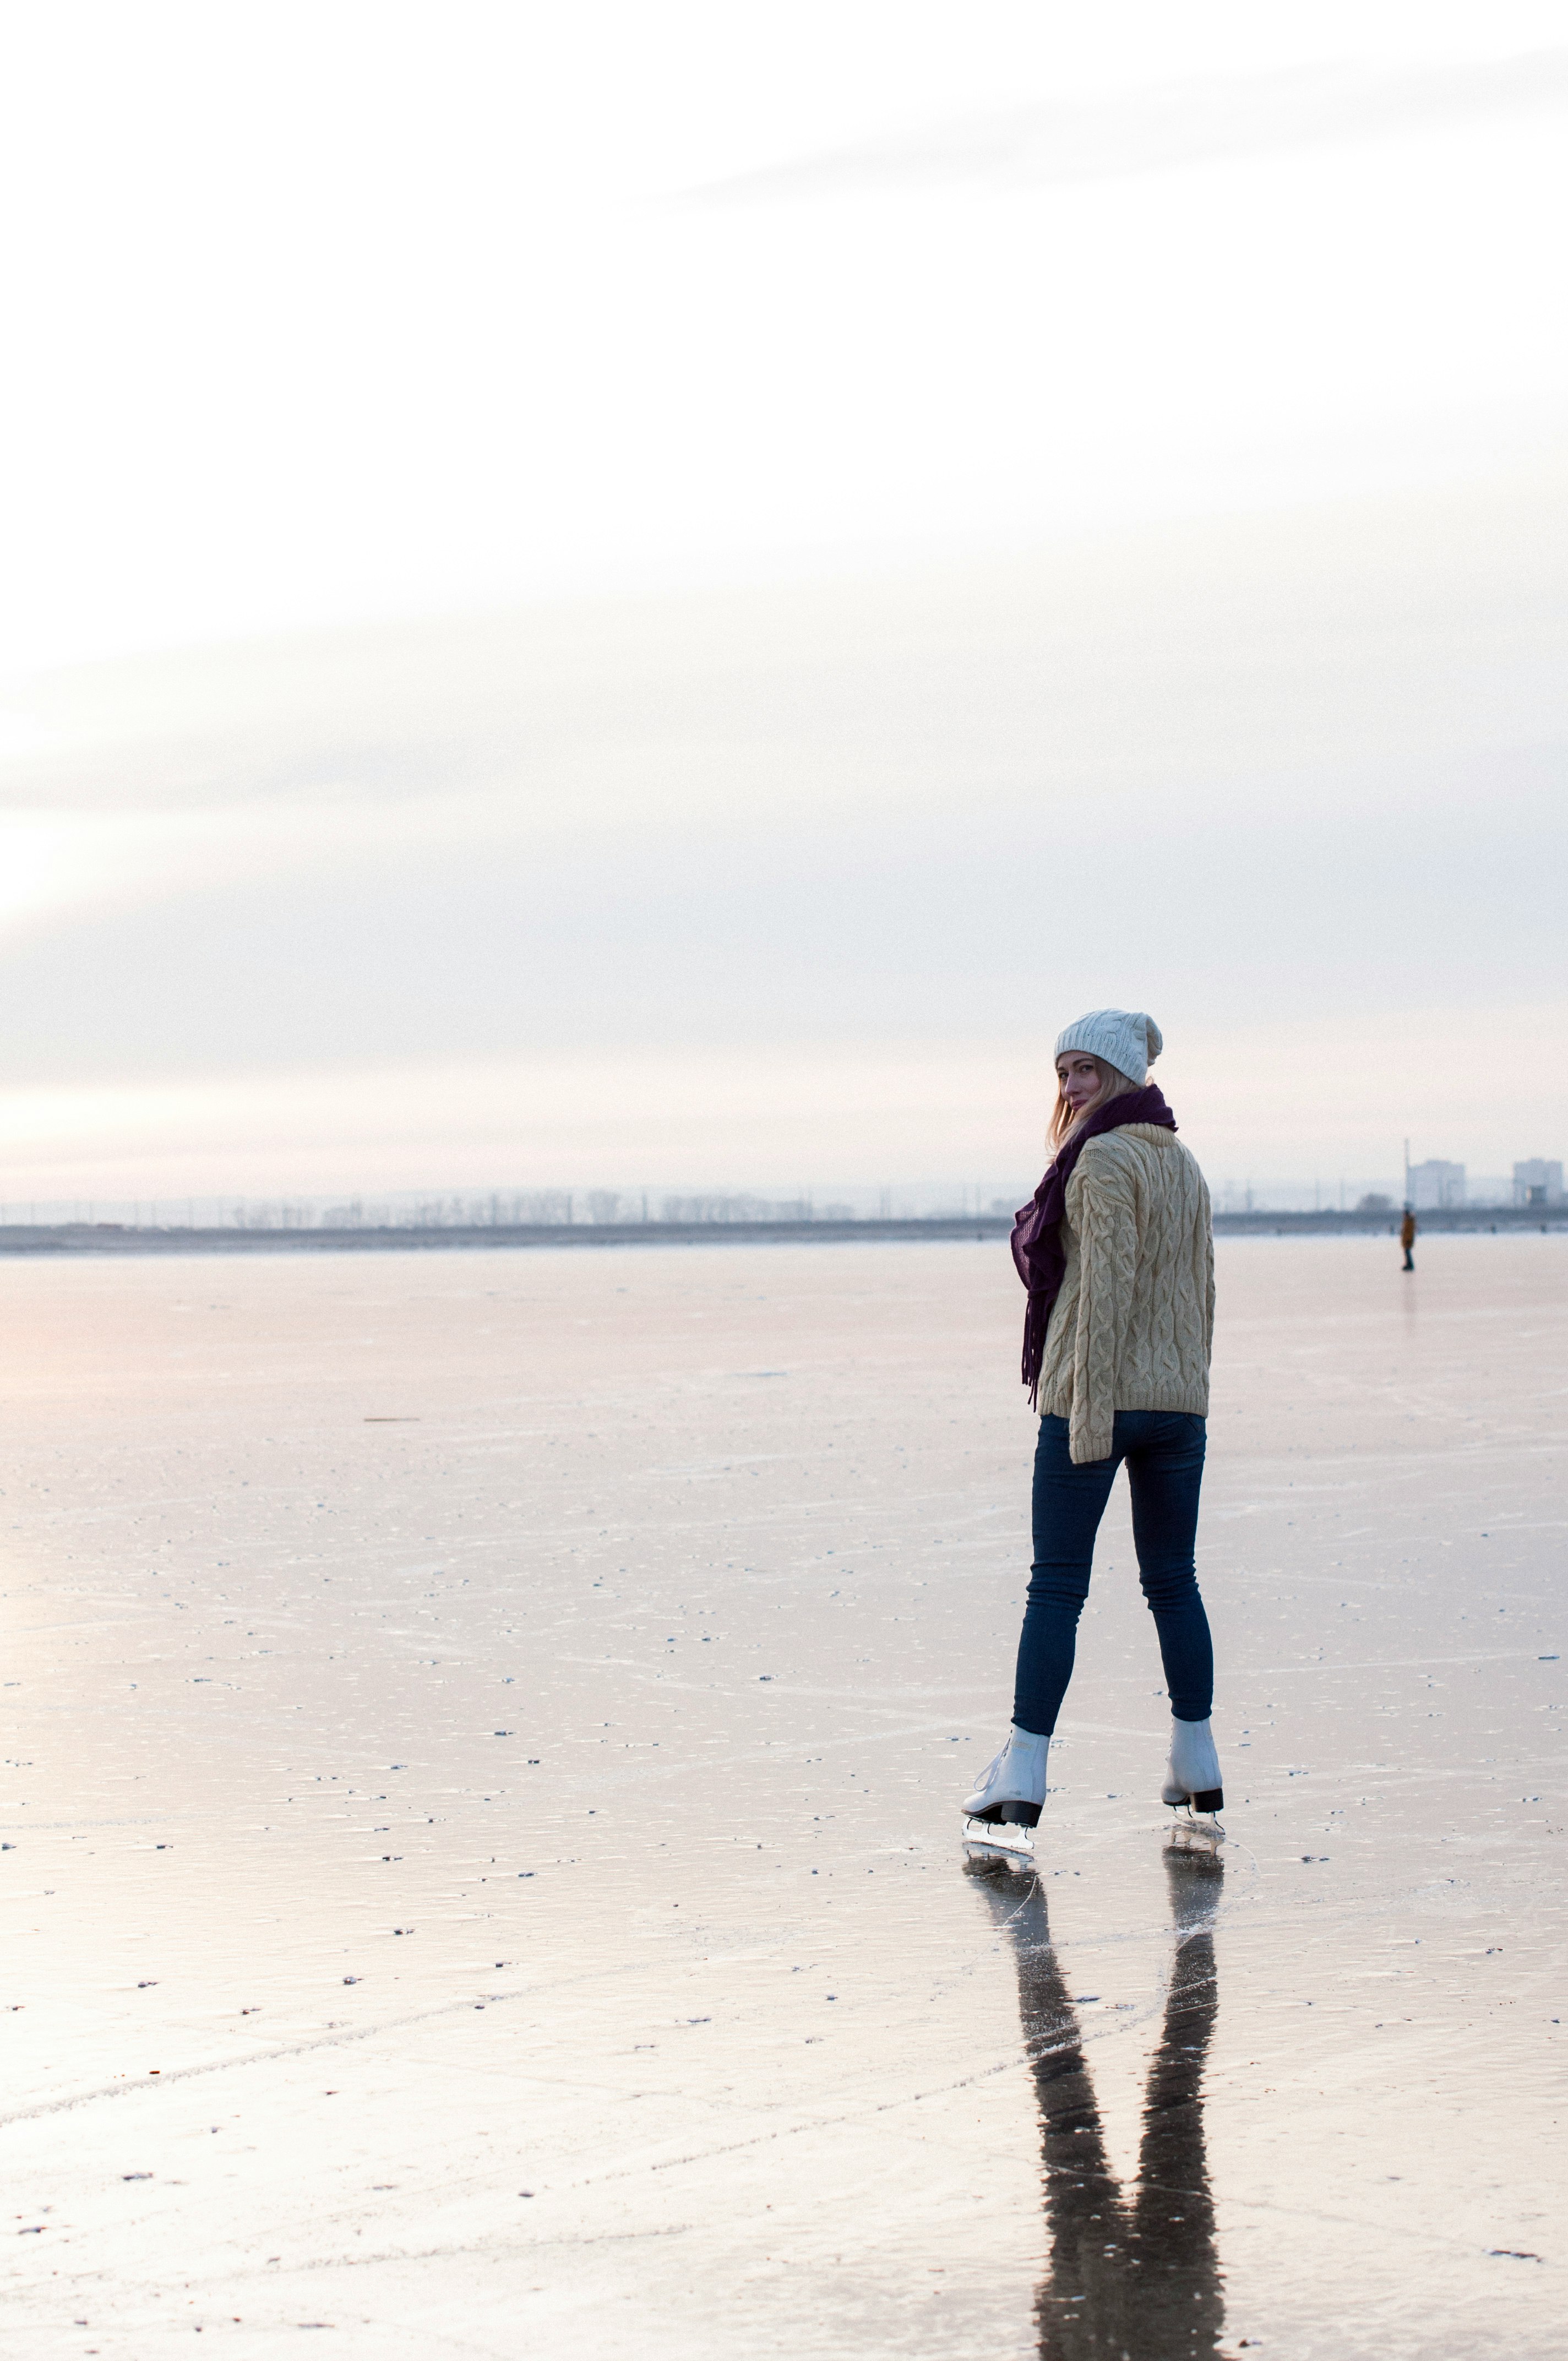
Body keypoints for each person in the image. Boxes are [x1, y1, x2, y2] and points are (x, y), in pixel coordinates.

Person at [963, 1008, 1221, 1832]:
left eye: (1085, 1071)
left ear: (1121, 1076)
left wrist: (1091, 1416)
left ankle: (1024, 1773)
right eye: (1062, 1073)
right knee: (1173, 1582)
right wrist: (1191, 1392)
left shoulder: (1101, 1159)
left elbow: (1104, 1289)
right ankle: (1197, 1759)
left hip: (1096, 1397)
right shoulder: (1183, 1163)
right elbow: (1200, 1293)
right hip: (1178, 1405)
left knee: (1057, 1586)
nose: (1071, 1087)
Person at [1401, 1205, 1417, 1271]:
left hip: (1408, 1240)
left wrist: (1408, 1240)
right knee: (1407, 1253)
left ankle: (1410, 1265)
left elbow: (1410, 1231)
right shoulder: (1407, 1221)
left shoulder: (1410, 1221)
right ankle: (1408, 1264)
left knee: (1408, 1253)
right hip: (1406, 1239)